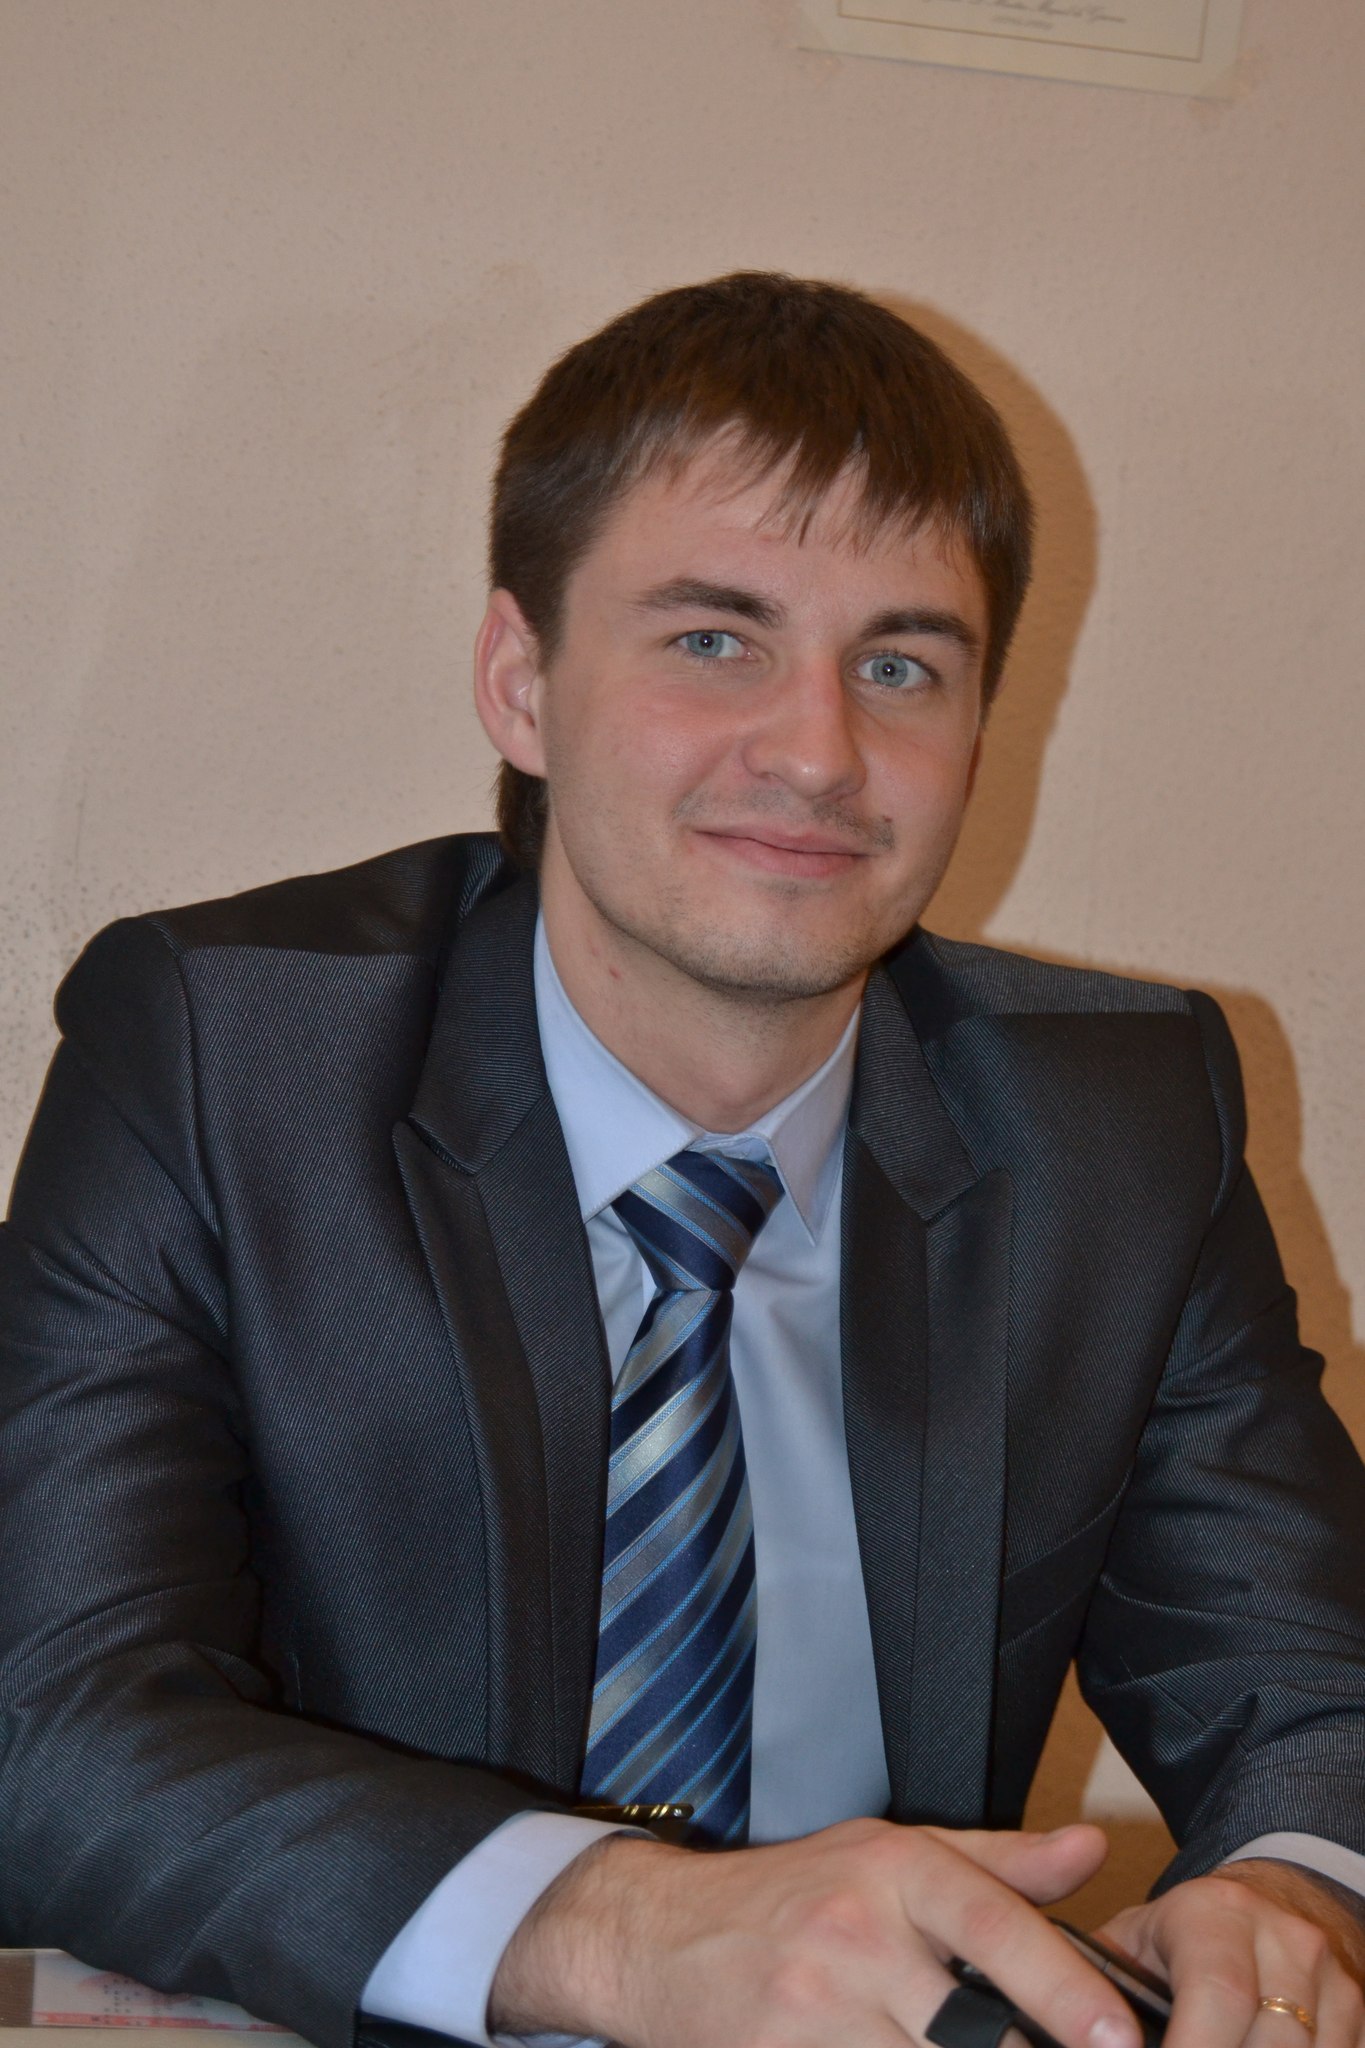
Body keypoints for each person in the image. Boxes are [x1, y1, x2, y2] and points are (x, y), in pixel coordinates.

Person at [2, 273, 1365, 2048]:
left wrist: (1284, 1898)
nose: (816, 751)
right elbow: (51, 1721)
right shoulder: (221, 1059)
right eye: (714, 639)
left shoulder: (1117, 1124)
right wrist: (616, 1928)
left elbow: (1308, 1689)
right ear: (521, 682)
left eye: (898, 665)